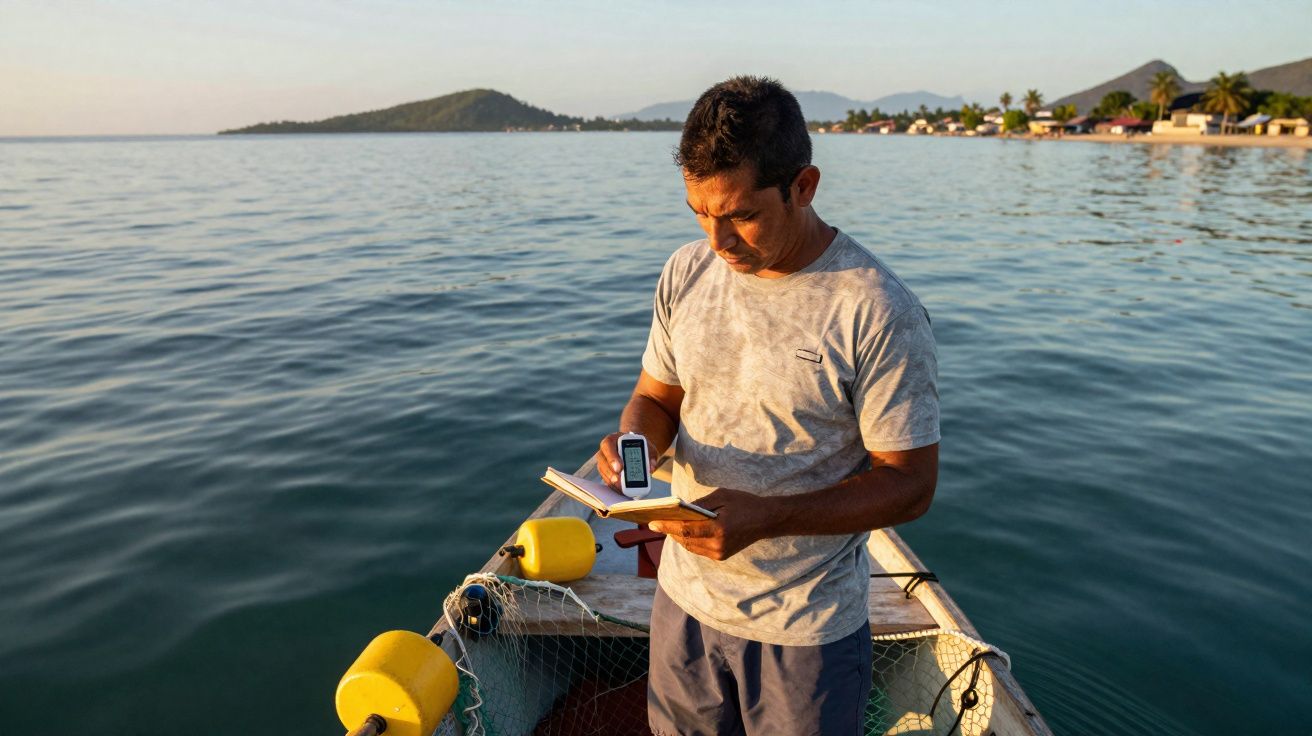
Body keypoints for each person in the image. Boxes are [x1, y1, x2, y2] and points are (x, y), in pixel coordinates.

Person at [595, 76, 940, 736]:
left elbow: (911, 484)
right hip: (682, 607)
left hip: (804, 634)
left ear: (803, 187)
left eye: (741, 215)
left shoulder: (878, 311)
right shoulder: (685, 272)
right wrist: (634, 440)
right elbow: (655, 398)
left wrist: (771, 516)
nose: (717, 241)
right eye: (699, 211)